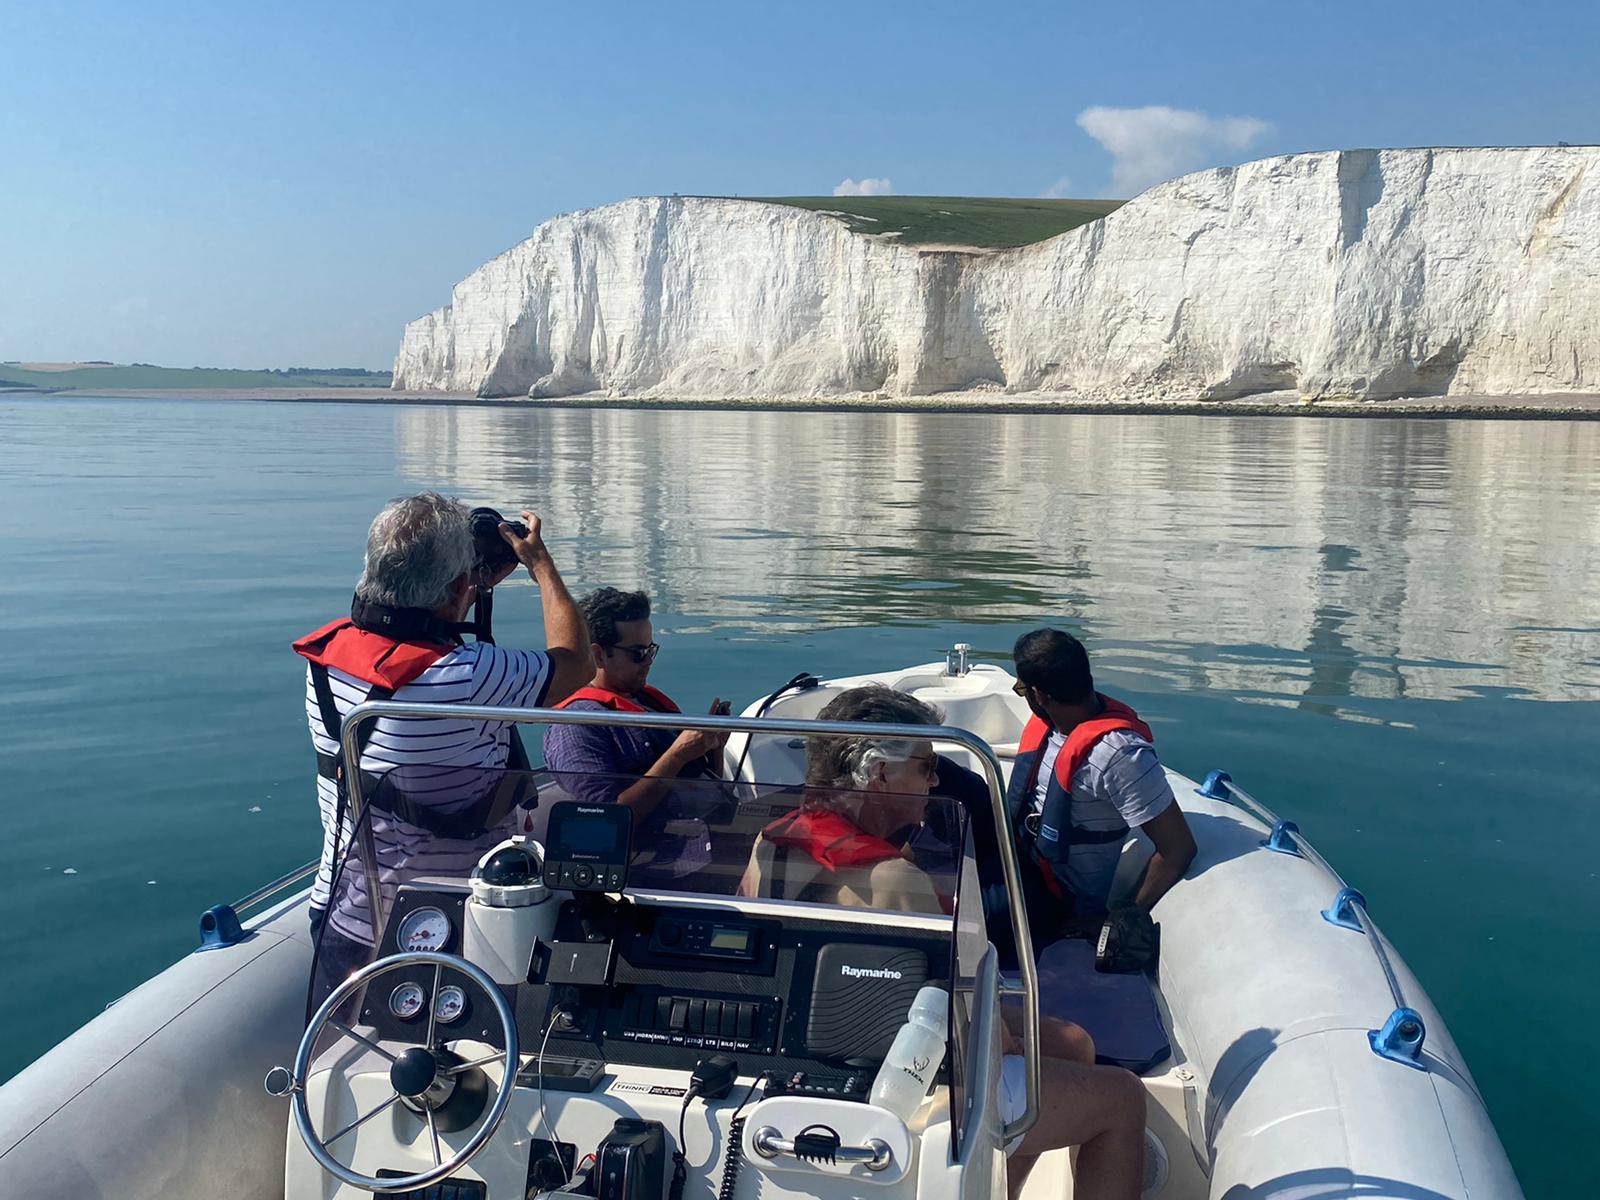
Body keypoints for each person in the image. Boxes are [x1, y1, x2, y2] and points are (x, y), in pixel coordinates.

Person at [741, 684, 1143, 1199]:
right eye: (926, 767)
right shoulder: (892, 878)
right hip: (902, 1074)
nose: (935, 781)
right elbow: (959, 1013)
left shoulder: (772, 842)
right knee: (1122, 1099)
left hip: (812, 1046)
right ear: (880, 774)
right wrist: (1008, 1047)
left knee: (1070, 1043)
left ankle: (994, 1190)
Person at [292, 492, 588, 938]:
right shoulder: (466, 678)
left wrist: (464, 586)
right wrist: (539, 565)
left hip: (344, 911)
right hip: (446, 920)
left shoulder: (325, 660)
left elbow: (406, 645)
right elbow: (577, 665)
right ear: (455, 589)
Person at [542, 587, 731, 881]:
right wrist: (677, 754)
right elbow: (607, 822)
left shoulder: (645, 702)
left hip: (706, 848)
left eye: (651, 650)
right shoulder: (576, 728)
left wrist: (714, 747)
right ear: (598, 655)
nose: (649, 661)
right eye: (639, 654)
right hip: (657, 871)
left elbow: (698, 782)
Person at [1008, 628, 1196, 924]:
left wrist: (1120, 916)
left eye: (1022, 689)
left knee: (950, 909)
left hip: (1057, 898)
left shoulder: (1120, 756)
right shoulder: (1053, 725)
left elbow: (1178, 849)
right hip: (1019, 861)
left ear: (1040, 695)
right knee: (956, 782)